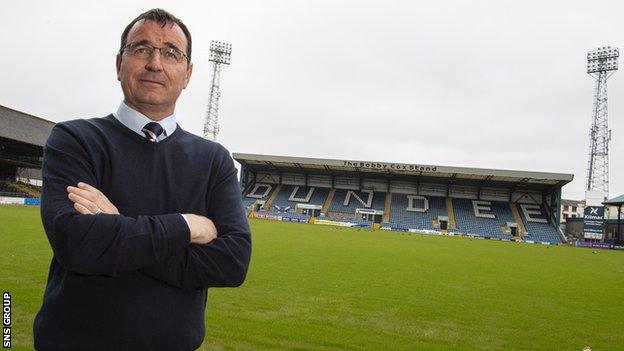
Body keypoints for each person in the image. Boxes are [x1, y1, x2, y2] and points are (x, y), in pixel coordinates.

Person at [33, 8, 252, 350]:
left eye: (171, 53)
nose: (155, 63)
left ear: (187, 73)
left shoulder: (214, 160)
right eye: (141, 49)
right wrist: (186, 226)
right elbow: (78, 244)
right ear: (119, 63)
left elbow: (233, 262)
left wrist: (118, 227)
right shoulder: (74, 139)